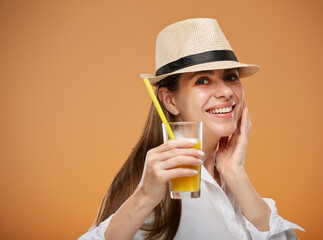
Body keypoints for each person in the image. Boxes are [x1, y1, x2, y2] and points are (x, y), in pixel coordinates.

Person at [79, 18, 305, 240]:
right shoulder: (153, 182)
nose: (226, 92)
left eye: (230, 77)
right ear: (170, 101)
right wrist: (144, 197)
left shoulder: (230, 176)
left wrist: (236, 175)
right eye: (203, 81)